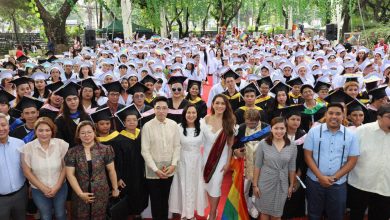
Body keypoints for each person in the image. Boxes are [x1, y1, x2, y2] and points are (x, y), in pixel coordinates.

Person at [303, 103, 360, 220]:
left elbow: (352, 160)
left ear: (343, 116)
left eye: (338, 114)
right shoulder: (313, 132)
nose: (334, 116)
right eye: (331, 113)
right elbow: (307, 156)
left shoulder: (351, 135)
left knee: (337, 215)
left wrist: (334, 178)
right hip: (314, 182)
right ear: (325, 115)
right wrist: (320, 177)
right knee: (314, 214)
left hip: (338, 184)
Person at [65, 121, 119, 220]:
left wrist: (115, 188)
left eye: (89, 132)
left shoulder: (105, 149)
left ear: (94, 132)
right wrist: (80, 194)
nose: (86, 135)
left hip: (101, 192)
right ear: (78, 135)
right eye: (83, 133)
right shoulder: (72, 152)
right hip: (80, 192)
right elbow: (70, 175)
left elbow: (111, 170)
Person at [20, 117, 69, 220]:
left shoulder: (61, 144)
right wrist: (43, 188)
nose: (44, 133)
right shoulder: (27, 148)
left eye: (47, 130)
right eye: (40, 130)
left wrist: (57, 186)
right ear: (35, 131)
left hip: (60, 187)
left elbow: (65, 167)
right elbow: (27, 172)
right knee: (45, 215)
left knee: (60, 214)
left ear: (52, 131)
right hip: (38, 190)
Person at [141, 96, 181, 220]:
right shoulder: (147, 126)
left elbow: (177, 146)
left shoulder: (173, 125)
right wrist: (155, 169)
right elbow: (145, 151)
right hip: (153, 172)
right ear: (154, 109)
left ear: (168, 110)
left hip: (169, 169)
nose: (161, 111)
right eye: (158, 108)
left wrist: (173, 165)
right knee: (155, 200)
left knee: (165, 199)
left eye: (164, 108)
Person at [348, 103, 390, 220]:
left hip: (386, 187)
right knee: (356, 215)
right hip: (360, 185)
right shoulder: (362, 131)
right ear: (379, 117)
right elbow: (349, 156)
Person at [252, 117, 297, 219]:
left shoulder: (292, 146)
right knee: (264, 213)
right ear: (271, 129)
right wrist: (255, 185)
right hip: (265, 183)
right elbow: (257, 165)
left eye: (282, 128)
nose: (279, 131)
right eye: (276, 128)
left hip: (282, 184)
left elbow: (292, 167)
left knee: (277, 215)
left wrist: (291, 185)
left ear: (286, 129)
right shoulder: (263, 144)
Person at [169, 104, 208, 219]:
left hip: (197, 161)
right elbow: (174, 145)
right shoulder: (178, 127)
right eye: (188, 113)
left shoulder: (202, 127)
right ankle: (185, 214)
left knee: (194, 186)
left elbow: (207, 143)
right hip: (183, 160)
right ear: (184, 114)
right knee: (184, 185)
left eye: (193, 113)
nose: (191, 115)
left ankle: (191, 214)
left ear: (197, 114)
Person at [201, 94, 235, 220]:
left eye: (223, 104)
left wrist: (227, 163)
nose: (220, 106)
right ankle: (211, 209)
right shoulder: (206, 119)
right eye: (217, 103)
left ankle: (214, 212)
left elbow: (230, 145)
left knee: (215, 186)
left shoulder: (230, 120)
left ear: (226, 106)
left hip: (221, 160)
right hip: (206, 158)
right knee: (208, 186)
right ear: (213, 104)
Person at [232, 109, 271, 218]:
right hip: (245, 165)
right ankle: (247, 208)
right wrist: (235, 152)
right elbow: (234, 145)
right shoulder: (241, 128)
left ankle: (257, 208)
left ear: (258, 120)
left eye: (253, 123)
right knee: (244, 190)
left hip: (262, 166)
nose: (251, 125)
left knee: (259, 189)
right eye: (248, 122)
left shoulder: (266, 128)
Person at [115, 104, 148, 219]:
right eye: (128, 120)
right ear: (124, 123)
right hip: (127, 175)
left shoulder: (143, 134)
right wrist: (118, 178)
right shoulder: (119, 140)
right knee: (130, 198)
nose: (132, 122)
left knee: (142, 195)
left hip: (142, 173)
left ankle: (139, 214)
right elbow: (117, 161)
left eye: (134, 120)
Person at [280, 105, 307, 219]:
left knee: (294, 199)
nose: (296, 122)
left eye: (298, 119)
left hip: (297, 174)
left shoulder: (303, 136)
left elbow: (305, 158)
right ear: (286, 120)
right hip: (280, 173)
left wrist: (298, 175)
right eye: (293, 119)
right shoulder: (280, 134)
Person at [0, 113, 27, 220]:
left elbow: (26, 168)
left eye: (3, 125)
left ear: (9, 126)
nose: (1, 129)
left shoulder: (20, 144)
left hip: (20, 195)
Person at [55, 82, 91, 148]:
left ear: (79, 99)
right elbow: (59, 141)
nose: (73, 102)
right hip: (69, 153)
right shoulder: (60, 120)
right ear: (65, 102)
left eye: (75, 98)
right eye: (69, 100)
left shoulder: (86, 116)